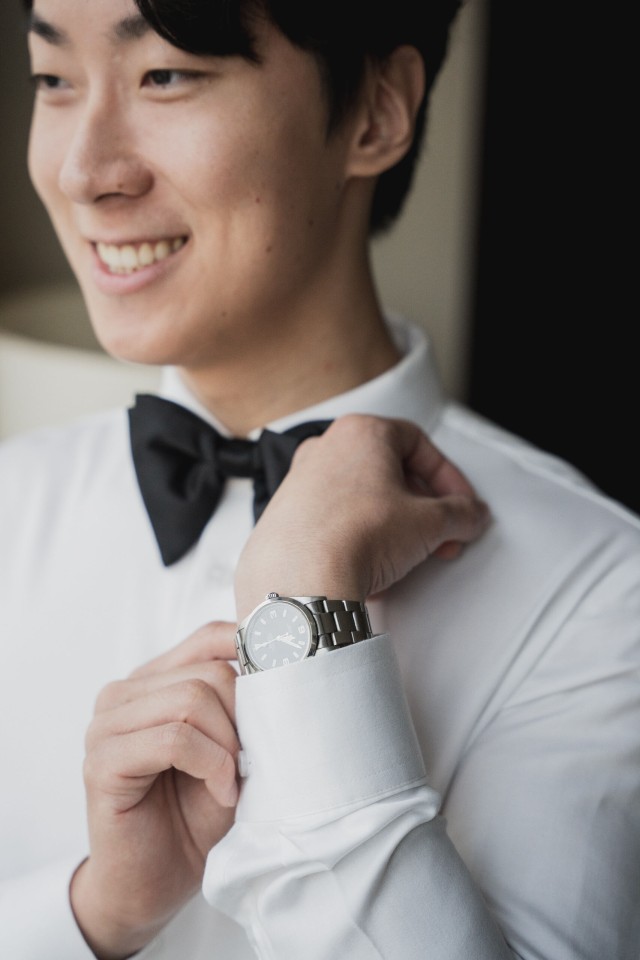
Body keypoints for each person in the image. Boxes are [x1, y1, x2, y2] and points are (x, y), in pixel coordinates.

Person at [1, 1, 639, 959]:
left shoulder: (605, 592)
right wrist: (96, 912)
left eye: (165, 75)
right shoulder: (10, 503)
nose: (84, 172)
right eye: (53, 80)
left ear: (378, 109)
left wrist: (303, 615)